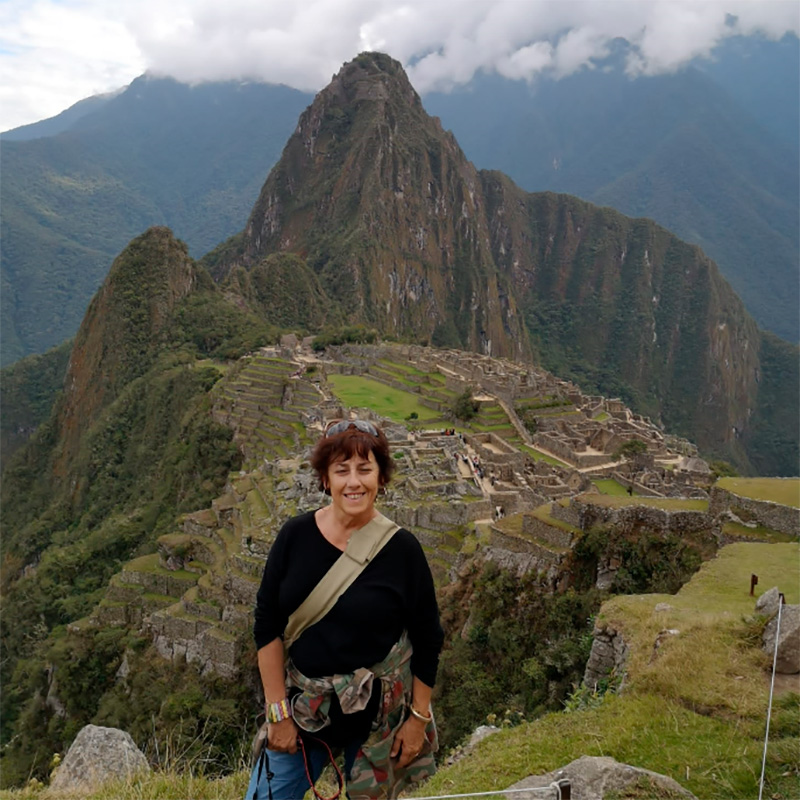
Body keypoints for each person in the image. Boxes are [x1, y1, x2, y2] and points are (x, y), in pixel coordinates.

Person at [246, 419, 444, 800]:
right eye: (342, 470)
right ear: (325, 479)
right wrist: (278, 715)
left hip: (377, 720)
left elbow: (428, 638)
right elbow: (267, 625)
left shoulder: (403, 552)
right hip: (305, 710)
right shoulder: (294, 537)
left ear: (380, 478)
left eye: (365, 469)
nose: (354, 482)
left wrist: (417, 720)